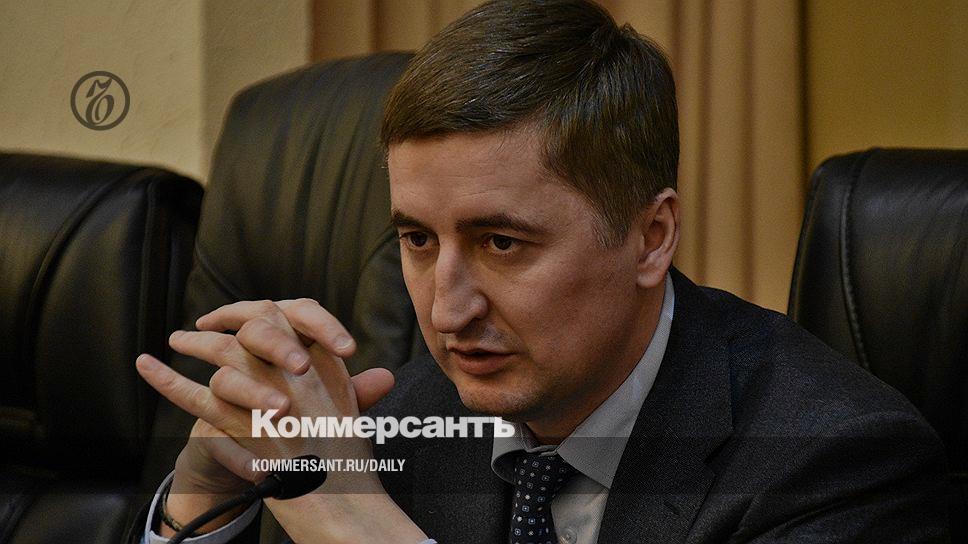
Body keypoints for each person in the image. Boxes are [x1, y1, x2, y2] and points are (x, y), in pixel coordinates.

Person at [131, 0, 951, 542]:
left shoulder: (830, 462)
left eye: (501, 244)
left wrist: (358, 526)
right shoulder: (399, 423)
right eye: (417, 240)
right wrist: (203, 502)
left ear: (651, 237)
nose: (445, 311)